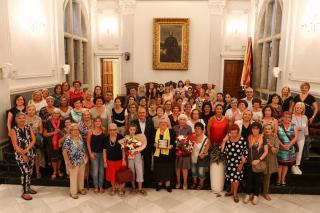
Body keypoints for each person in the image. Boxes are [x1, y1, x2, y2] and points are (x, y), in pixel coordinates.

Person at [10, 112, 36, 200]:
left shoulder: (28, 127)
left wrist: (28, 149)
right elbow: (15, 145)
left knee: (30, 171)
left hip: (30, 152)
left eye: (23, 118)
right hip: (20, 154)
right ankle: (24, 192)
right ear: (16, 119)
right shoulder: (13, 130)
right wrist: (23, 154)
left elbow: (33, 139)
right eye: (20, 118)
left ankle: (28, 188)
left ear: (25, 119)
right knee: (25, 172)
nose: (22, 120)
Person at [243, 122, 268, 205]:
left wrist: (259, 160)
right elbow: (245, 149)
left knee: (257, 180)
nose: (255, 130)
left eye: (257, 128)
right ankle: (248, 194)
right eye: (253, 128)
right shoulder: (249, 137)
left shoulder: (263, 138)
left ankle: (256, 195)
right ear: (251, 129)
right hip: (249, 163)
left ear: (259, 129)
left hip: (258, 163)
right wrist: (243, 157)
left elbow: (266, 151)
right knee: (249, 180)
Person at [222, 124, 248, 203]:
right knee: (231, 178)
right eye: (232, 132)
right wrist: (224, 141)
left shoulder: (242, 140)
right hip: (229, 162)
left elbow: (245, 152)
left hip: (238, 163)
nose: (233, 134)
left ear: (238, 132)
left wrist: (241, 164)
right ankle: (231, 191)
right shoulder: (228, 139)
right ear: (230, 132)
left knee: (236, 179)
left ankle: (235, 194)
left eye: (235, 132)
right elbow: (223, 151)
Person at [131, 107, 155, 186]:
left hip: (147, 148)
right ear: (137, 113)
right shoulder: (134, 122)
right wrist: (136, 146)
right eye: (140, 112)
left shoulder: (150, 121)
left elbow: (152, 135)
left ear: (146, 113)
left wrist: (149, 146)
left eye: (143, 112)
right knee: (137, 165)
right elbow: (132, 135)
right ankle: (136, 182)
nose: (142, 114)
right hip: (137, 148)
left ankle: (147, 182)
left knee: (147, 165)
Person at [63, 123, 88, 199]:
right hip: (73, 161)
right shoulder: (68, 139)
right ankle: (73, 192)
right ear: (70, 131)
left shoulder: (80, 137)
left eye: (77, 130)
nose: (76, 131)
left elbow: (83, 147)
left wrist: (85, 156)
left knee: (81, 175)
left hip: (81, 159)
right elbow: (64, 152)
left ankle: (81, 188)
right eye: (74, 130)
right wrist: (68, 162)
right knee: (73, 177)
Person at [122, 124, 147, 195]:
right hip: (129, 156)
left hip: (137, 155)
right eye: (131, 129)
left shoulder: (139, 137)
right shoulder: (126, 137)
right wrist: (125, 157)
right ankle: (133, 187)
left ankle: (140, 188)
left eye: (134, 130)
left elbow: (142, 146)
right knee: (131, 171)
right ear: (128, 130)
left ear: (136, 130)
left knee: (139, 170)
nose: (132, 131)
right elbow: (124, 149)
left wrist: (136, 152)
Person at [103, 124, 126, 196]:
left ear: (116, 130)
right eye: (111, 130)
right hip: (110, 161)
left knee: (120, 176)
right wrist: (105, 161)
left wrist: (123, 160)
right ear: (108, 130)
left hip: (119, 161)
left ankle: (120, 189)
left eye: (114, 130)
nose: (112, 131)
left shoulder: (121, 137)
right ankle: (113, 189)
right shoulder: (106, 138)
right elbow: (104, 151)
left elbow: (123, 150)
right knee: (112, 176)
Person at [153, 118, 176, 192]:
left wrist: (171, 146)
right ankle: (159, 184)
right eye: (161, 122)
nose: (163, 124)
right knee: (159, 168)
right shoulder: (155, 131)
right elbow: (151, 141)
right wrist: (154, 144)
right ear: (159, 124)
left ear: (167, 124)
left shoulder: (171, 131)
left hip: (168, 154)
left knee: (167, 169)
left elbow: (175, 142)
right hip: (158, 154)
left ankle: (168, 185)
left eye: (164, 122)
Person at [277, 112, 298, 187]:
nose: (287, 118)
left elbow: (295, 137)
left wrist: (289, 145)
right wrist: (282, 145)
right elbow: (276, 136)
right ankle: (279, 179)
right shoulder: (278, 125)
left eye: (289, 117)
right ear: (282, 117)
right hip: (280, 148)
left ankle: (283, 179)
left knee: (285, 165)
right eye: (285, 117)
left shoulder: (294, 126)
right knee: (280, 165)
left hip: (290, 148)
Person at [87, 117, 107, 193]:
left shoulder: (104, 130)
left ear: (101, 122)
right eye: (96, 121)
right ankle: (96, 187)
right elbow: (88, 143)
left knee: (102, 171)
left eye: (99, 121)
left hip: (102, 154)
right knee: (95, 171)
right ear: (94, 122)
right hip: (94, 153)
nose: (98, 122)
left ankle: (101, 187)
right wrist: (90, 153)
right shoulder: (90, 131)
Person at [172, 113, 192, 190]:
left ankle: (185, 183)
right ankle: (178, 182)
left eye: (184, 119)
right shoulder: (174, 128)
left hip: (185, 151)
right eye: (181, 119)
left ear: (186, 120)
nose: (182, 121)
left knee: (184, 168)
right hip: (176, 151)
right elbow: (172, 139)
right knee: (177, 167)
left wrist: (186, 147)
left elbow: (191, 139)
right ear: (178, 120)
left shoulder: (189, 128)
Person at [43, 108, 64, 180]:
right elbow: (44, 134)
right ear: (52, 114)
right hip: (51, 143)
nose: (56, 115)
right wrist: (53, 133)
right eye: (54, 113)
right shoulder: (48, 122)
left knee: (59, 157)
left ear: (59, 115)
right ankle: (54, 171)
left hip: (61, 142)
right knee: (53, 158)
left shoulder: (62, 122)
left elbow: (64, 132)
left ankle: (59, 170)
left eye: (57, 113)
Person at [26, 104, 44, 179]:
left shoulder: (38, 118)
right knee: (28, 155)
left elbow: (41, 130)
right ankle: (28, 171)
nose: (31, 111)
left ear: (35, 110)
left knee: (36, 155)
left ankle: (37, 171)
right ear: (27, 110)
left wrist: (36, 138)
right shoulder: (23, 117)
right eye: (29, 109)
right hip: (26, 138)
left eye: (33, 109)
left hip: (36, 139)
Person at [262, 123, 280, 201]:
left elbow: (275, 151)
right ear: (263, 130)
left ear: (272, 130)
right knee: (258, 176)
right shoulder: (261, 137)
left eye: (269, 129)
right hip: (261, 160)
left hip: (270, 160)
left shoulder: (275, 137)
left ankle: (265, 193)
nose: (267, 130)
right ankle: (255, 192)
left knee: (267, 178)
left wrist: (270, 145)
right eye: (266, 129)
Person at [191, 122, 210, 190]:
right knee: (193, 171)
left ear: (202, 130)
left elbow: (207, 150)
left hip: (201, 158)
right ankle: (195, 182)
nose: (197, 130)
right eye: (195, 128)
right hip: (193, 157)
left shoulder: (206, 139)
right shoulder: (192, 137)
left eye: (199, 128)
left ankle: (201, 184)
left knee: (201, 172)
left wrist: (204, 154)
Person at [291, 102, 309, 175]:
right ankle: (292, 166)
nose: (299, 109)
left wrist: (307, 135)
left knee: (299, 152)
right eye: (297, 107)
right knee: (293, 152)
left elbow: (306, 127)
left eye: (301, 108)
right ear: (295, 108)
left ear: (303, 109)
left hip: (302, 137)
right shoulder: (292, 116)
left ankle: (297, 165)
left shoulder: (305, 117)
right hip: (292, 137)